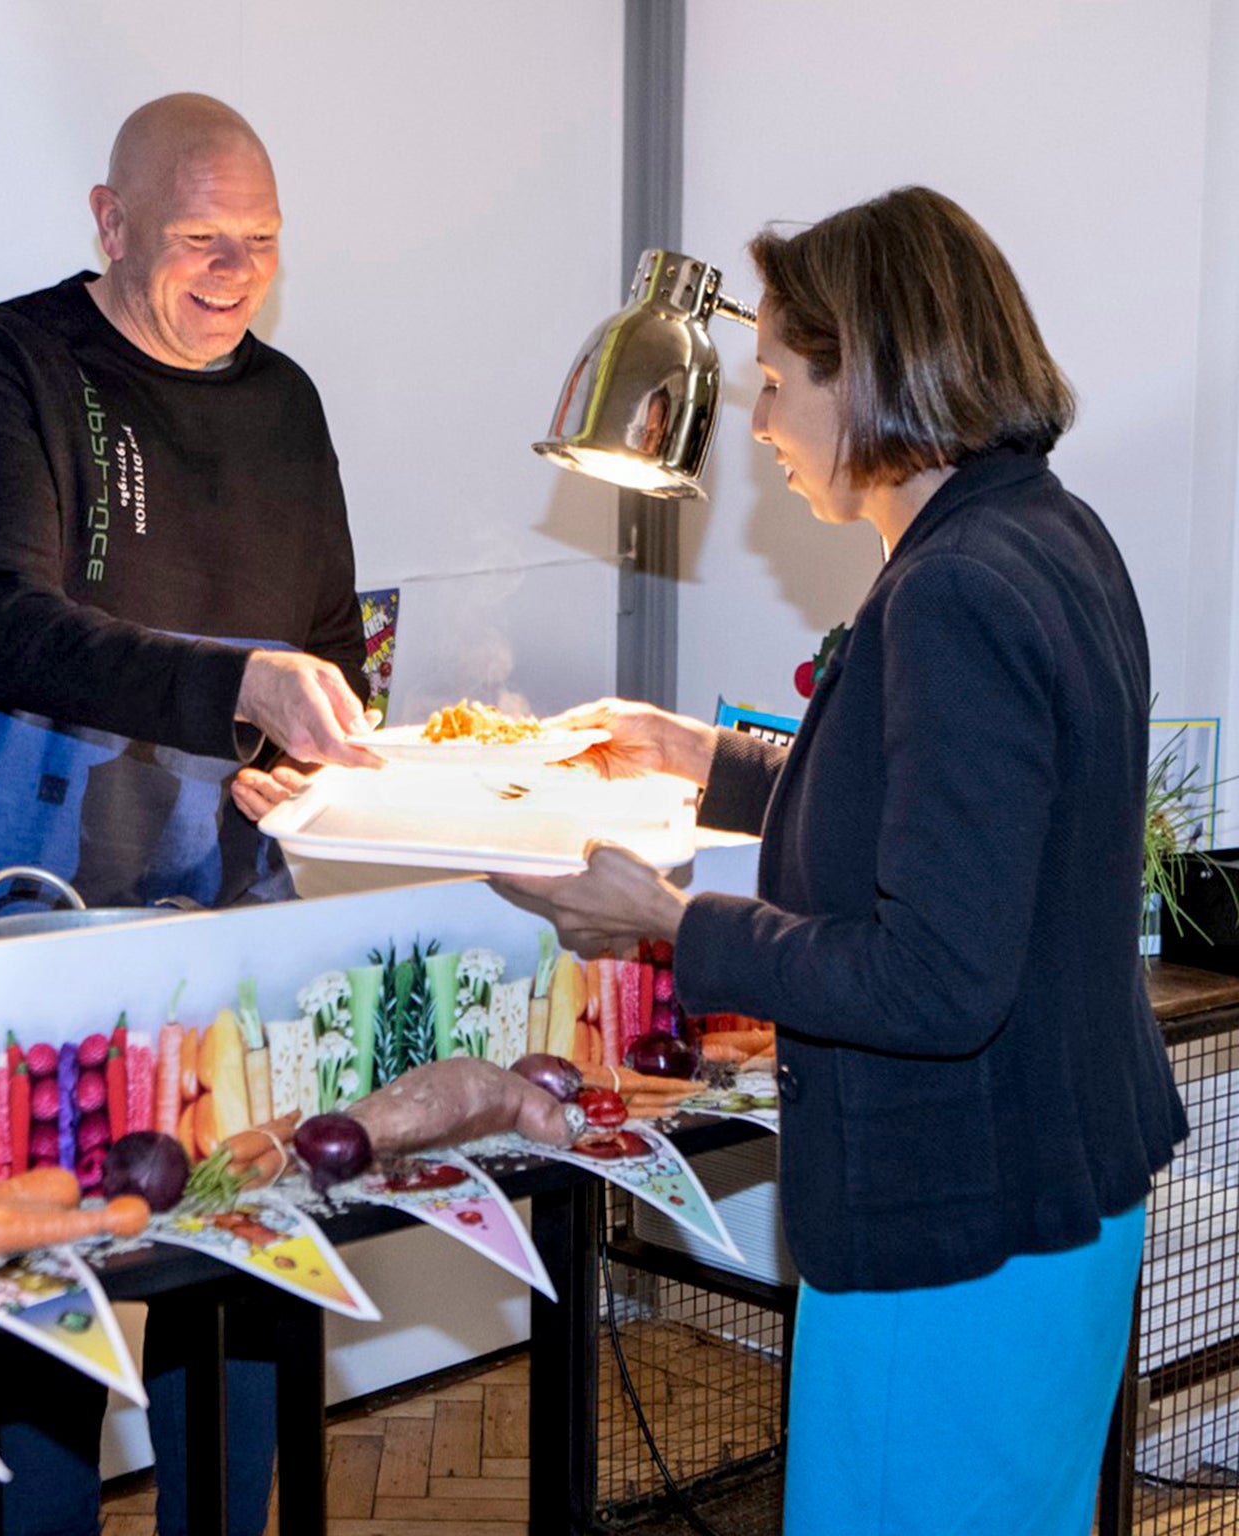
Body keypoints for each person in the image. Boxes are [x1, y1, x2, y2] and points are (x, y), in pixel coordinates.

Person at [504, 186, 1187, 1536]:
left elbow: (937, 976)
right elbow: (965, 821)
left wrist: (668, 920)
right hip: (1049, 1211)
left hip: (961, 1240)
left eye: (773, 383)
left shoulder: (953, 590)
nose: (757, 429)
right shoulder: (1042, 532)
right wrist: (704, 758)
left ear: (865, 376)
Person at [0, 94, 374, 1535]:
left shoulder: (288, 400)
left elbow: (329, 632)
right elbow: (7, 629)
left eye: (260, 244)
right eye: (200, 240)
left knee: (252, 1259)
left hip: (225, 906)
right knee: (29, 1305)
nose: (234, 274)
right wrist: (239, 683)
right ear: (109, 219)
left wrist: (303, 756)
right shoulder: (1, 366)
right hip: (9, 910)